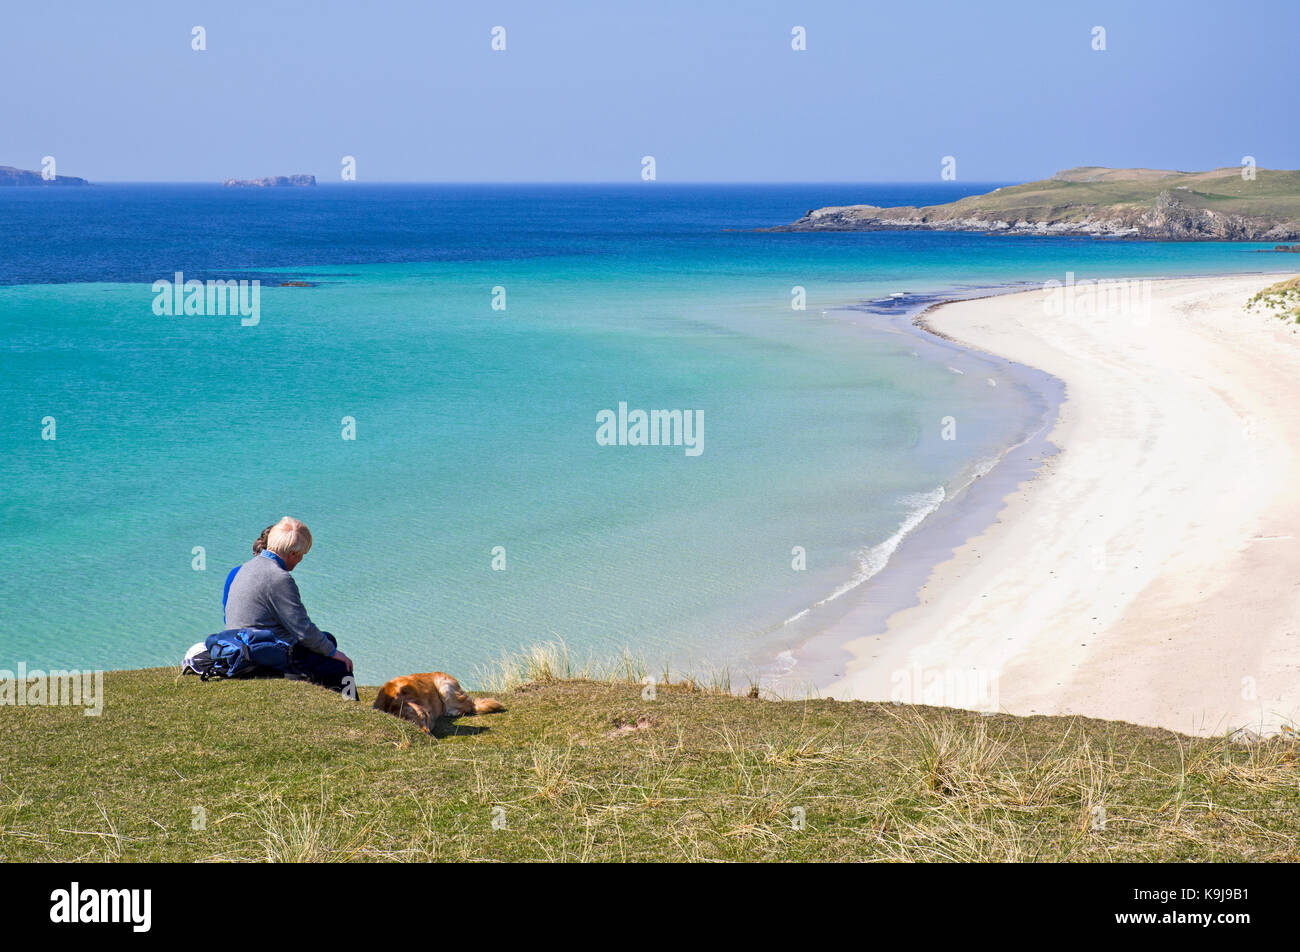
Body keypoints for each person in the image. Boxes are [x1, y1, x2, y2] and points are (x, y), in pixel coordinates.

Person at [223, 517, 356, 695]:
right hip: (265, 653)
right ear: (293, 554)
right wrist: (334, 653)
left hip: (241, 645)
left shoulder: (246, 567)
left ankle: (321, 694)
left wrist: (326, 646)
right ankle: (350, 708)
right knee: (340, 666)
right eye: (301, 555)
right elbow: (302, 629)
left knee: (327, 640)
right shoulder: (278, 577)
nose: (300, 560)